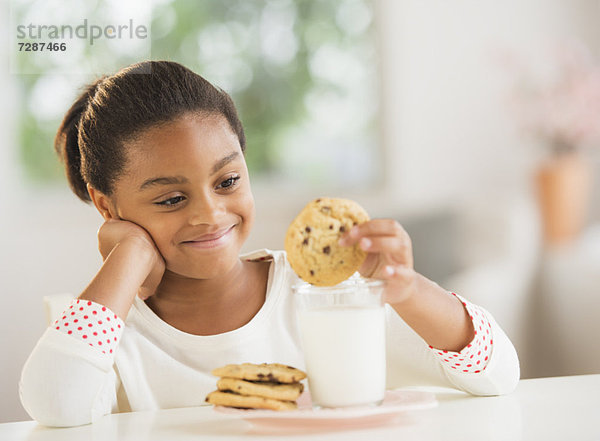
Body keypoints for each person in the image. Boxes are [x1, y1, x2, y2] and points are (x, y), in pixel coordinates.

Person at [19, 60, 519, 427]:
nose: (210, 214)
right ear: (107, 208)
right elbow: (55, 403)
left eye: (228, 181)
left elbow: (499, 372)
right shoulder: (103, 331)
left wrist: (407, 290)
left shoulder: (329, 295)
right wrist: (128, 254)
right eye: (171, 199)